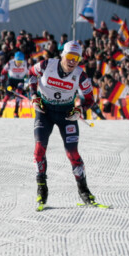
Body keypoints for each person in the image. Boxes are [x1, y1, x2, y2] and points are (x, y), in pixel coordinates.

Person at [28, 40, 99, 209]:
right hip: (44, 111)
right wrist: (33, 95)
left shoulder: (80, 75)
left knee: (72, 153)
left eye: (77, 58)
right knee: (39, 149)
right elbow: (31, 73)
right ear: (62, 55)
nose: (72, 61)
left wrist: (79, 110)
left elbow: (90, 100)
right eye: (69, 56)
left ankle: (84, 191)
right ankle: (42, 189)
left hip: (66, 114)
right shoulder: (47, 65)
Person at [0, 51, 28, 118]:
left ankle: (16, 112)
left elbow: (30, 73)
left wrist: (28, 84)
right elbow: (3, 73)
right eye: (17, 62)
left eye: (20, 62)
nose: (19, 64)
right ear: (14, 60)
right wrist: (2, 84)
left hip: (20, 80)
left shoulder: (25, 64)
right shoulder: (10, 63)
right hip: (11, 81)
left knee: (18, 93)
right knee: (7, 96)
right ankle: (0, 112)